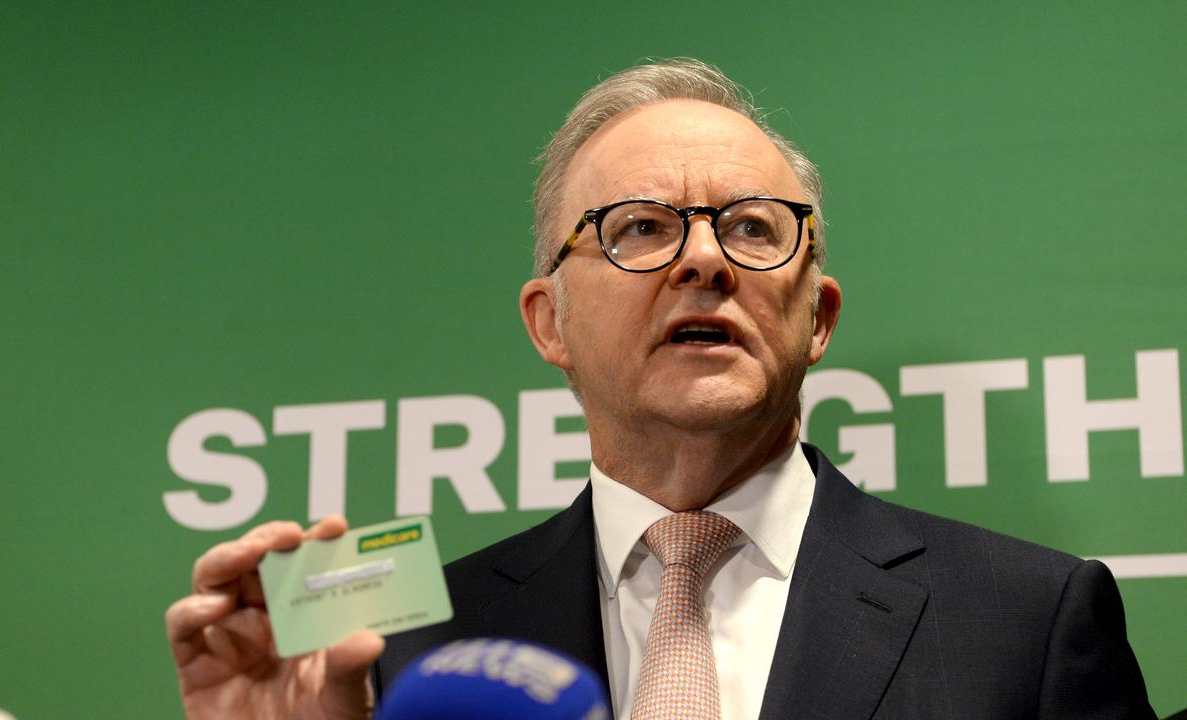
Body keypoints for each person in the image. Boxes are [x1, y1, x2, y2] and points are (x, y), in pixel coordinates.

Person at [165, 59, 1155, 719]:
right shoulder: (400, 645)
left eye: (754, 227)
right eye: (637, 227)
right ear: (547, 321)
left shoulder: (1027, 619)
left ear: (816, 318)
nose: (702, 262)